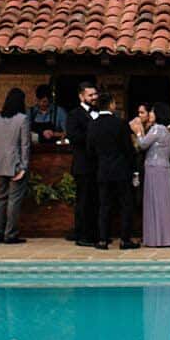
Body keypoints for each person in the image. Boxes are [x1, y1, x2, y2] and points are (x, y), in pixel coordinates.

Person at [91, 93, 139, 250]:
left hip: (103, 169)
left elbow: (89, 149)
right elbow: (128, 149)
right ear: (111, 104)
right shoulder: (120, 123)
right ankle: (125, 239)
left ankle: (103, 239)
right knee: (126, 204)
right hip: (120, 170)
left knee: (104, 205)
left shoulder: (93, 124)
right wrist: (134, 168)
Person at [0, 88, 31, 245]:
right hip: (16, 164)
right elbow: (25, 145)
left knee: (1, 199)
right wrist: (24, 166)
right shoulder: (22, 119)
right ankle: (10, 234)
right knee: (14, 200)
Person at [133, 100, 170, 248]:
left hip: (153, 167)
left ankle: (155, 238)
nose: (150, 114)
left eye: (152, 111)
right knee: (163, 202)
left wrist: (138, 132)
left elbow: (142, 144)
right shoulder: (166, 130)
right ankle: (165, 237)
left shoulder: (157, 129)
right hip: (163, 167)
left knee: (153, 202)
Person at [67, 82, 101, 247]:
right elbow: (74, 137)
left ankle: (96, 234)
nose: (94, 98)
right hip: (83, 164)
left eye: (95, 94)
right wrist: (93, 135)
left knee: (97, 200)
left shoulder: (100, 113)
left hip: (99, 165)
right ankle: (82, 235)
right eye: (90, 95)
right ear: (81, 96)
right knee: (84, 201)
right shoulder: (74, 115)